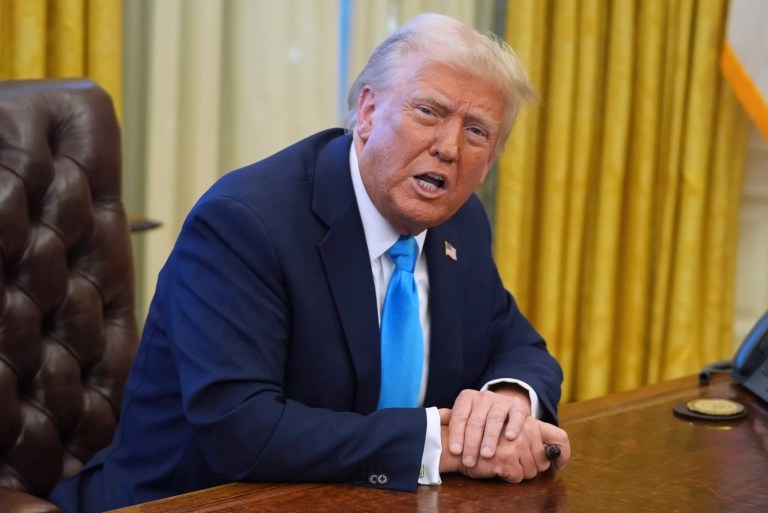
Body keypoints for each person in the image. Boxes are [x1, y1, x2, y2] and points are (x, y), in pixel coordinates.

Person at [51, 12, 570, 512]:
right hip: (191, 501)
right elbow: (240, 430)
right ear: (367, 113)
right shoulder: (246, 224)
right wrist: (441, 443)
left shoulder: (461, 223)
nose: (449, 148)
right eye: (428, 112)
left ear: (490, 162)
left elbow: (518, 344)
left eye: (477, 131)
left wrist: (507, 402)